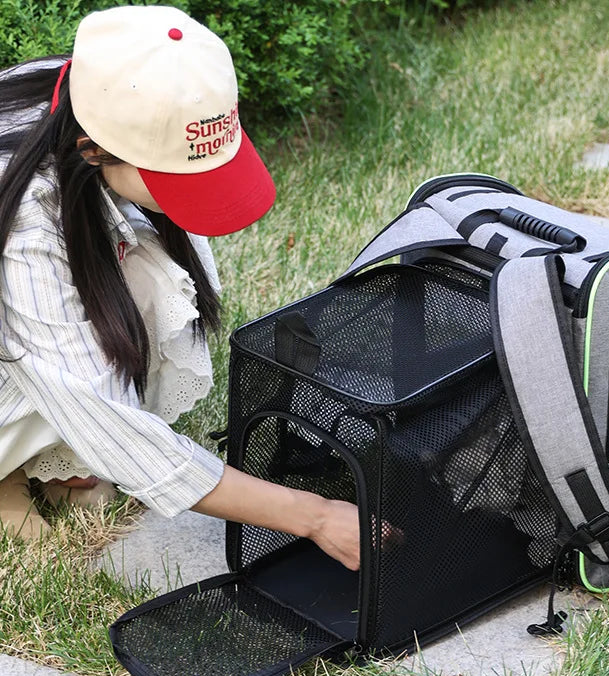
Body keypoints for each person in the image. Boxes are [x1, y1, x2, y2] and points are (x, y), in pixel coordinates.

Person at [0, 5, 360, 570]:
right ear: (92, 151)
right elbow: (116, 429)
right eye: (172, 178)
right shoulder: (24, 218)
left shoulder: (92, 89)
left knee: (150, 272)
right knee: (83, 402)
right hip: (12, 311)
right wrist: (313, 515)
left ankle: (51, 452)